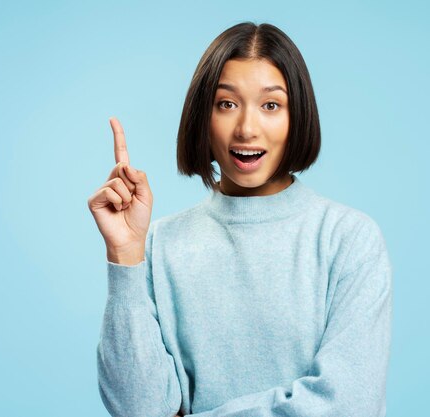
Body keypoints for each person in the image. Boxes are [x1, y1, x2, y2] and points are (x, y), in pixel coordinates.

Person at [87, 21, 393, 417]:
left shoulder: (349, 239)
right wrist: (125, 254)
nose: (247, 129)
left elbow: (348, 404)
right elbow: (137, 408)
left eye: (271, 105)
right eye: (226, 104)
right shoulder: (160, 244)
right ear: (203, 117)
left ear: (296, 115)